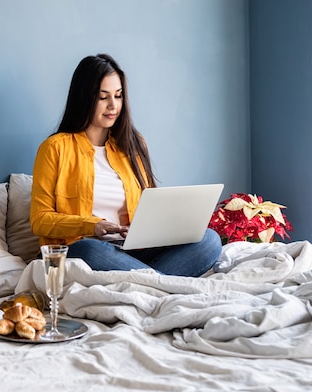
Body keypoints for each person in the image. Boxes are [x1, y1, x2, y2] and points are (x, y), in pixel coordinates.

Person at [30, 53, 221, 277]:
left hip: (131, 252)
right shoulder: (55, 148)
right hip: (87, 248)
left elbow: (151, 206)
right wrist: (93, 225)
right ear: (84, 98)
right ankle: (164, 282)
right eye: (103, 97)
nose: (113, 105)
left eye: (118, 96)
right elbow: (40, 220)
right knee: (89, 249)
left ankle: (152, 284)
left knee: (209, 239)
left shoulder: (133, 144)